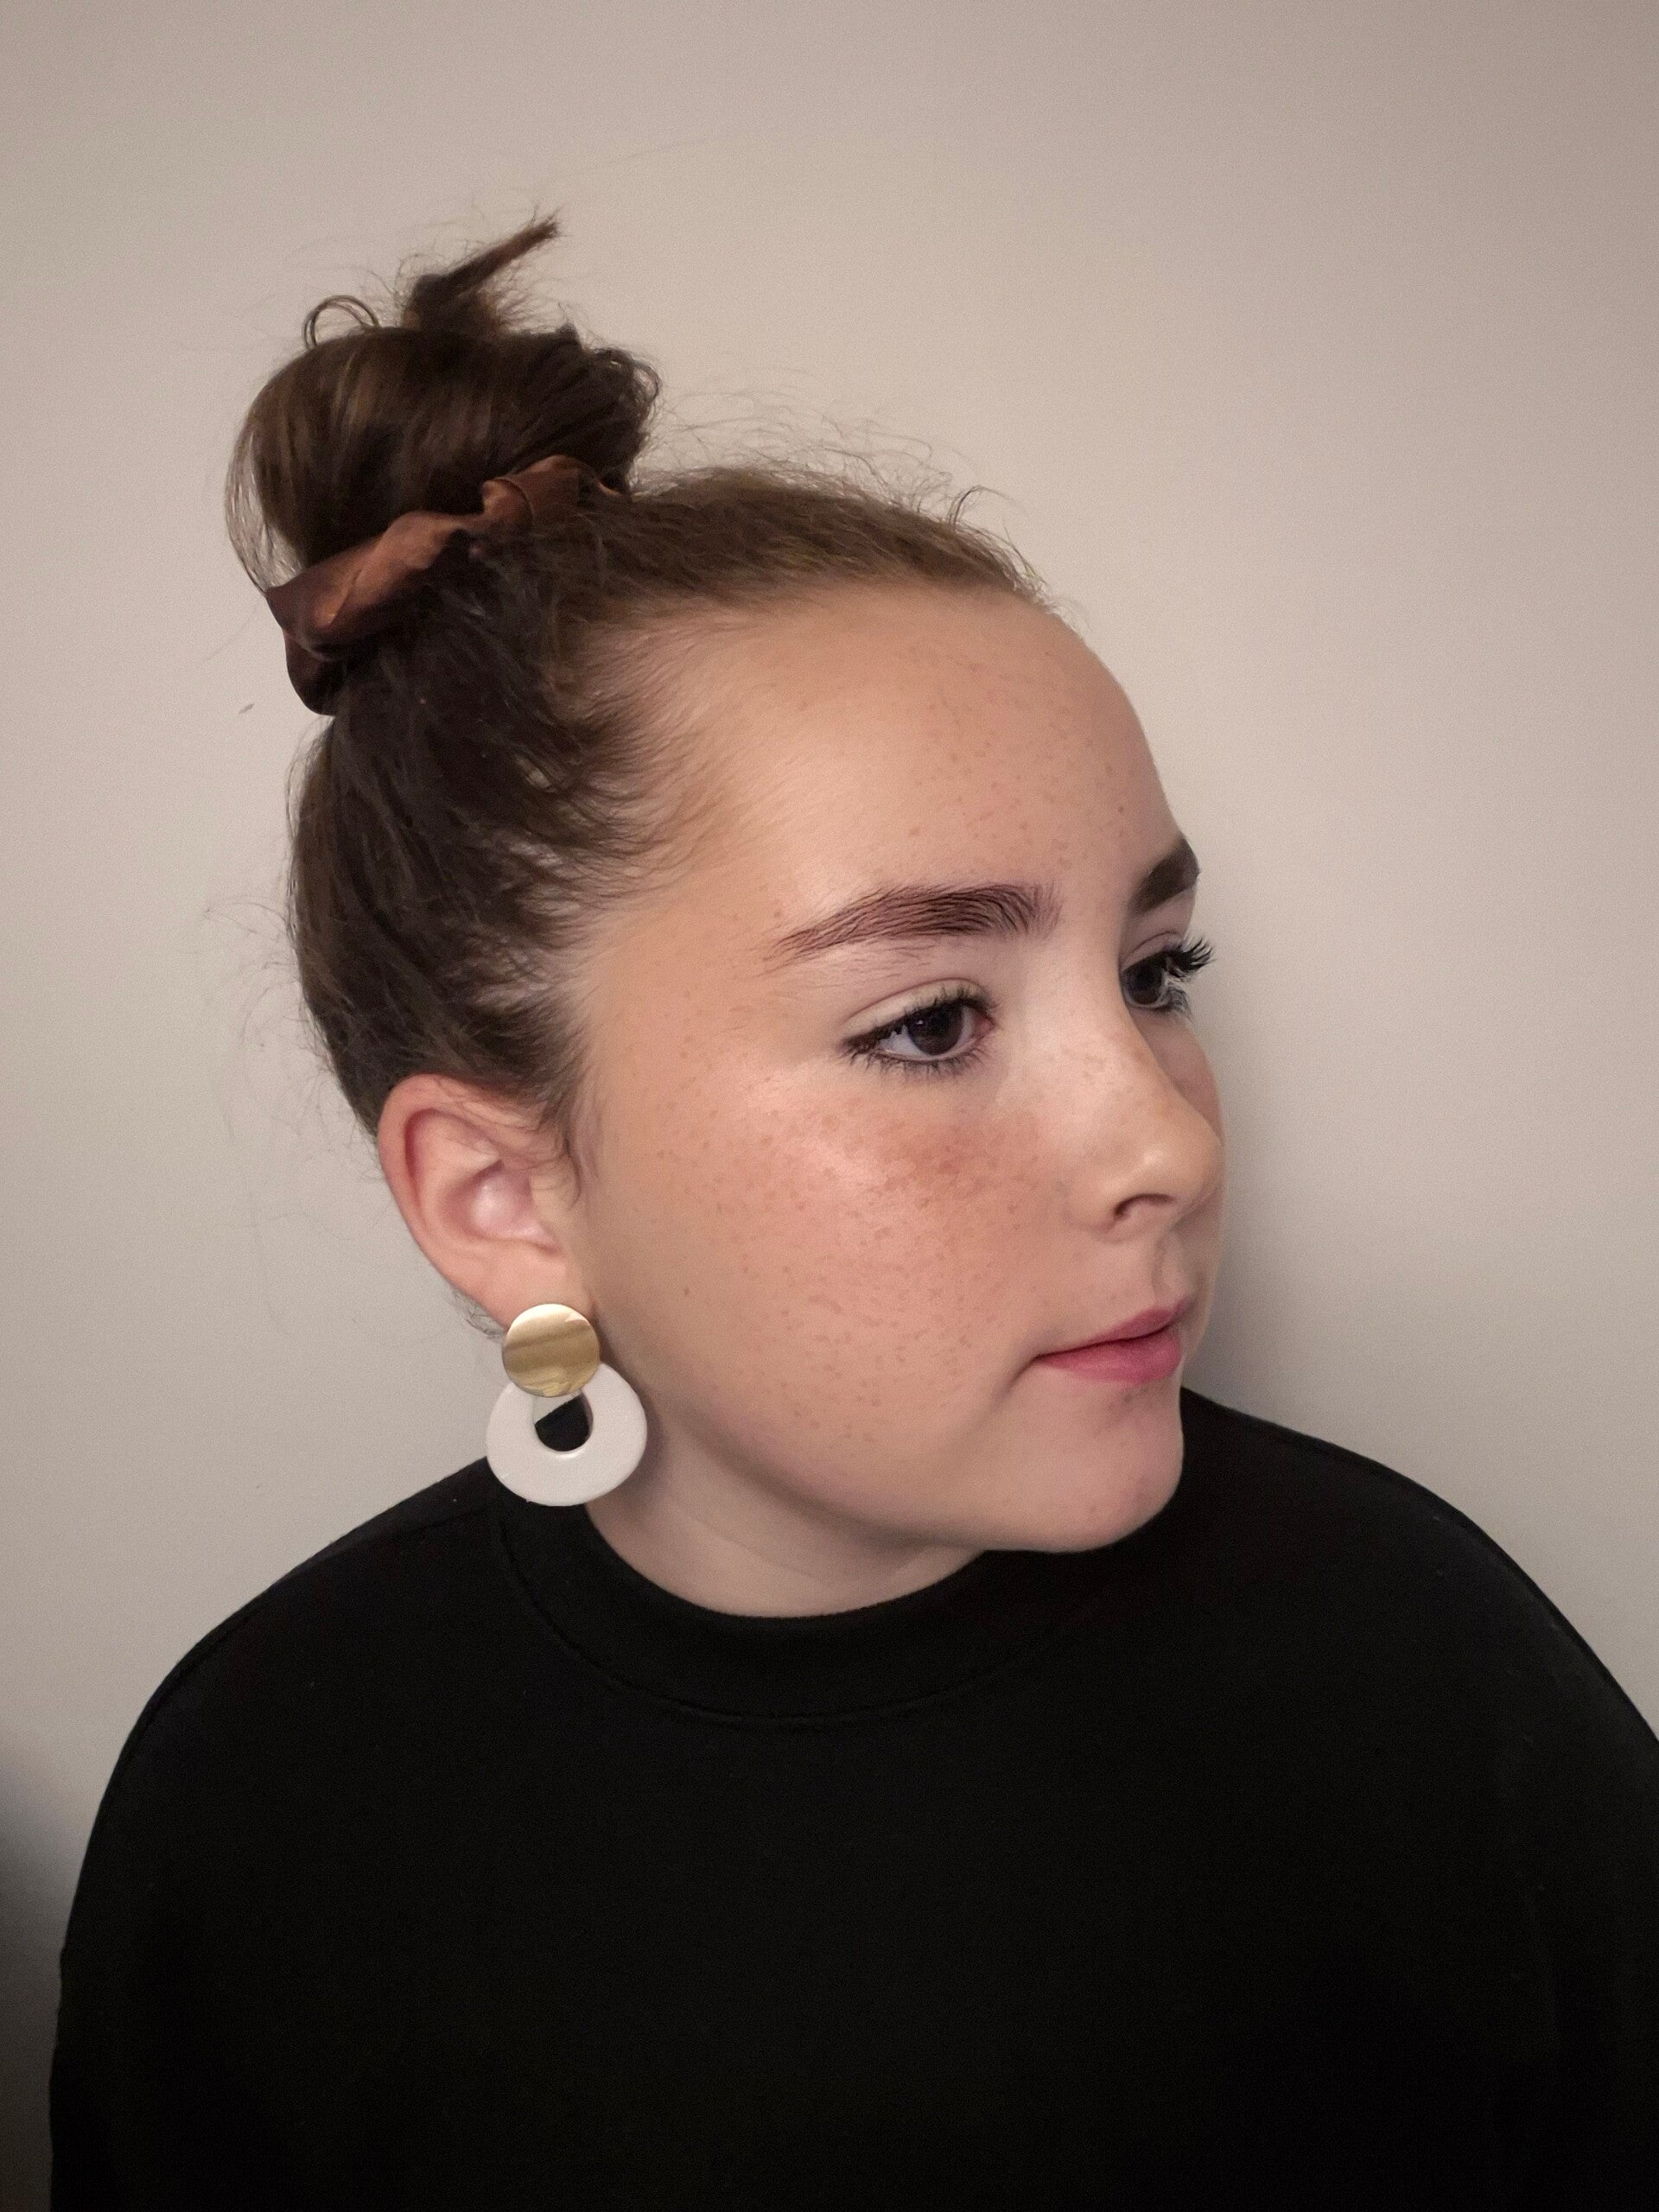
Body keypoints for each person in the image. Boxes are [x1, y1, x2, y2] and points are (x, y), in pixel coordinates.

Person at [49, 217, 1659, 2209]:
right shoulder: (263, 1812)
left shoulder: (1433, 1684)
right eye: (930, 1021)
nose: (1165, 1141)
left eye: (1156, 970)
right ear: (506, 1192)